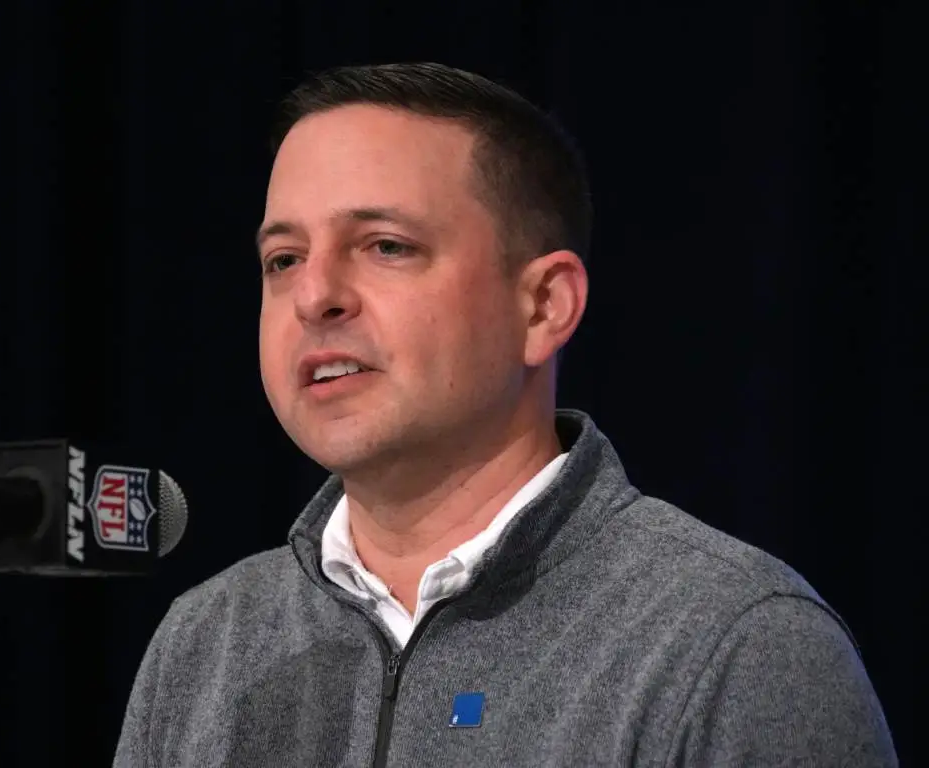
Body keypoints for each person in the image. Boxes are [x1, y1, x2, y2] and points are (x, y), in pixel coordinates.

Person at [113, 62, 897, 767]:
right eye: (283, 259)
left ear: (543, 306)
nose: (314, 296)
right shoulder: (206, 643)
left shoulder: (735, 644)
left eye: (385, 246)